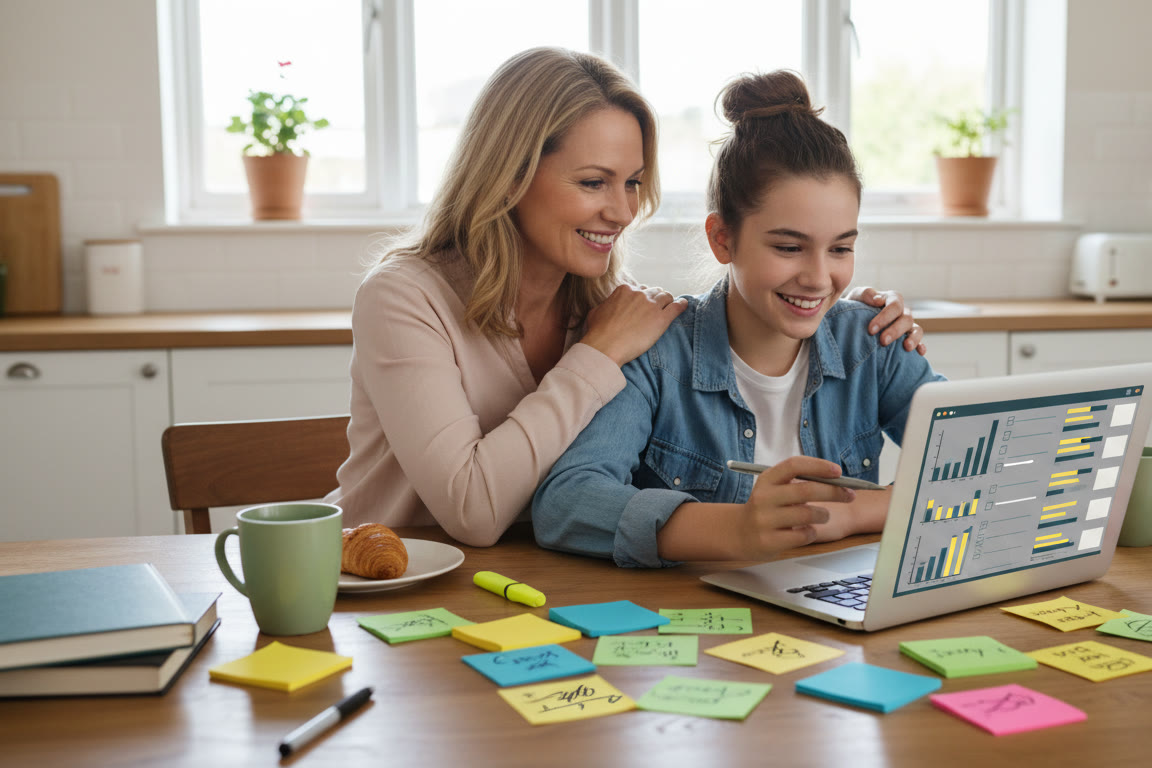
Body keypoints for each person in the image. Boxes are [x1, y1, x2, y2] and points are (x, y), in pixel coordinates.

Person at [326, 48, 925, 548]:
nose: (622, 211)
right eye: (593, 182)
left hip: (531, 587)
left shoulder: (610, 309)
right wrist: (597, 354)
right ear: (509, 173)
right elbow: (479, 509)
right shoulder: (405, 298)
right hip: (395, 586)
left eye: (633, 181)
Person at [531, 70, 946, 567]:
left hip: (835, 613)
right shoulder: (657, 355)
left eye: (840, 248)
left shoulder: (873, 343)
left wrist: (852, 513)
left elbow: (987, 465)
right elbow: (566, 503)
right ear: (722, 238)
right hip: (697, 622)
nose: (818, 278)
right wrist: (739, 529)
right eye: (789, 247)